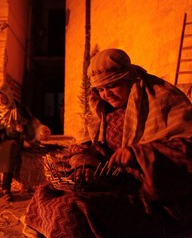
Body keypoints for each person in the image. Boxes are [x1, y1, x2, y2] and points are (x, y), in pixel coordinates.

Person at [23, 49, 192, 238]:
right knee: (46, 192)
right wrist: (84, 158)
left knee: (72, 207)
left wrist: (140, 154)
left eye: (112, 86)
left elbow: (187, 149)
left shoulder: (162, 99)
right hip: (113, 180)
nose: (106, 95)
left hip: (147, 189)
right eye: (100, 90)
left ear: (128, 79)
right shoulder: (106, 110)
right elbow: (101, 147)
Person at [0, 83, 51, 201]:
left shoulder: (19, 109)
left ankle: (6, 188)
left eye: (2, 97)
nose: (0, 100)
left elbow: (32, 123)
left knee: (9, 150)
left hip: (12, 139)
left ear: (8, 96)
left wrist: (22, 128)